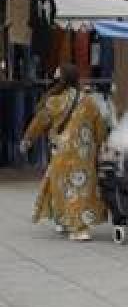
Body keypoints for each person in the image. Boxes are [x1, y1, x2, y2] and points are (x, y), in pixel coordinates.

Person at [19, 64, 110, 242]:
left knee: (62, 187)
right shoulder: (88, 101)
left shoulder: (54, 101)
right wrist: (100, 145)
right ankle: (79, 228)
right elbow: (100, 127)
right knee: (80, 189)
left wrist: (27, 140)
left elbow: (39, 122)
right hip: (84, 154)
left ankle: (63, 221)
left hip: (61, 151)